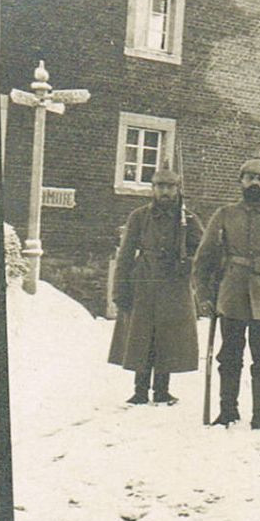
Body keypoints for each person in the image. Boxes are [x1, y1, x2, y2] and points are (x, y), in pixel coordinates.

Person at [192, 158, 260, 429]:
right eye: (250, 177)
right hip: (231, 297)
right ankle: (228, 411)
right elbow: (203, 259)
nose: (255, 183)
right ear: (240, 181)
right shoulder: (225, 214)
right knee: (229, 355)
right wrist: (203, 295)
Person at [108, 166, 204, 406]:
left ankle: (162, 390)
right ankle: (140, 390)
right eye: (160, 186)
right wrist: (120, 288)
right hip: (144, 281)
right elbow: (126, 254)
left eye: (170, 187)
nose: (165, 192)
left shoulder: (189, 220)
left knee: (168, 336)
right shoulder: (139, 217)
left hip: (173, 285)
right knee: (141, 335)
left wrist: (188, 264)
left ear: (178, 189)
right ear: (152, 189)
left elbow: (203, 252)